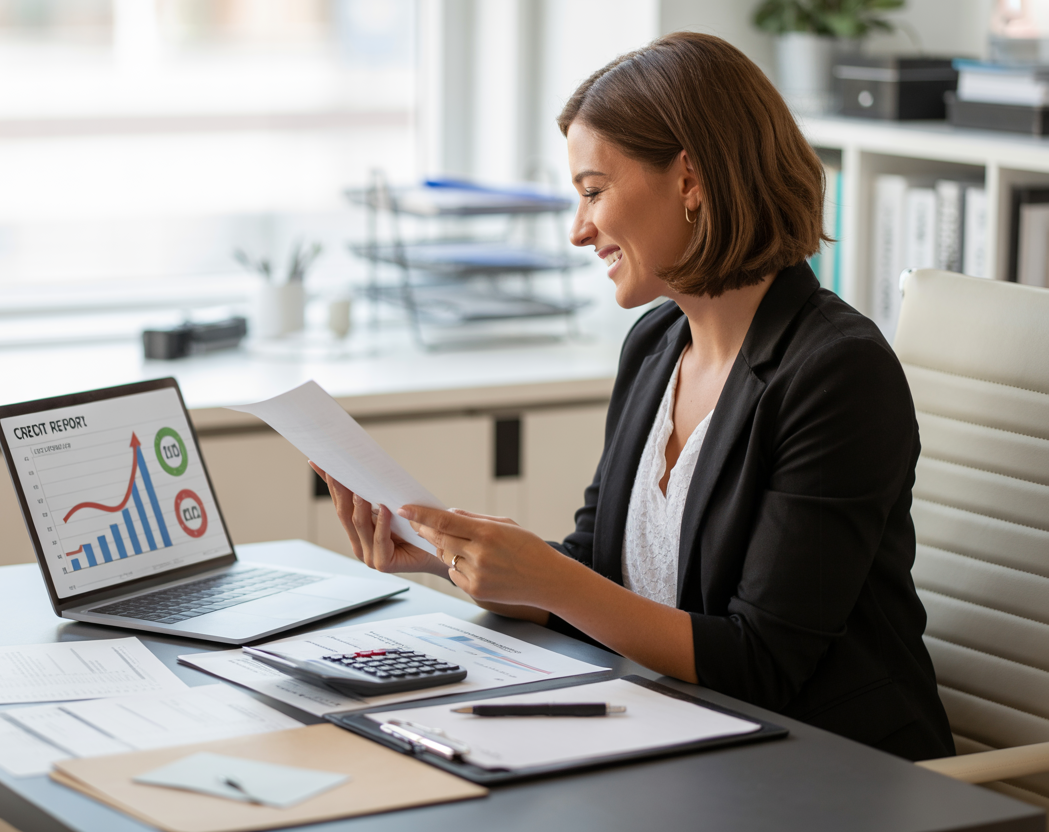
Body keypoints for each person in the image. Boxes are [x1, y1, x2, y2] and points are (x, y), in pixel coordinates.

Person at [312, 31, 954, 761]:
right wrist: (446, 553)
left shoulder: (837, 371)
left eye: (593, 191)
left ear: (690, 178)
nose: (580, 230)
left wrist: (551, 578)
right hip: (681, 740)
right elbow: (600, 576)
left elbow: (763, 664)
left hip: (831, 768)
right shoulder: (655, 344)